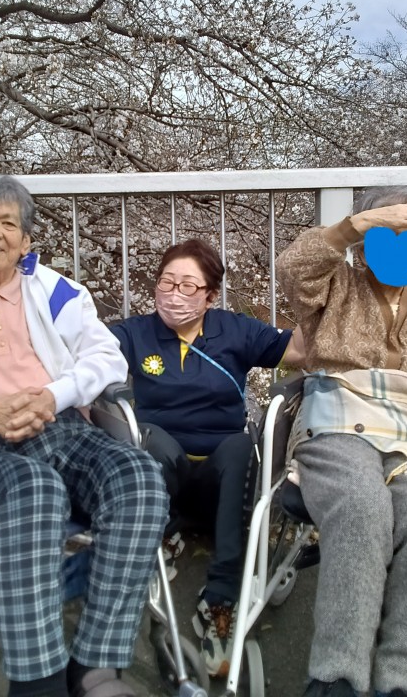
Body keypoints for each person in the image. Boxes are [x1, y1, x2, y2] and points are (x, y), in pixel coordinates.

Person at [0, 174, 168, 697]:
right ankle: (38, 682)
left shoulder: (54, 290)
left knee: (140, 479)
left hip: (55, 423)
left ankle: (96, 666)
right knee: (34, 490)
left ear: (25, 241)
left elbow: (106, 357)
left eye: (7, 222)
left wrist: (54, 396)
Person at [276, 186, 407, 697]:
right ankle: (337, 677)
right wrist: (356, 225)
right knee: (361, 505)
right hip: (339, 422)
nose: (399, 246)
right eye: (386, 235)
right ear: (367, 242)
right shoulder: (335, 285)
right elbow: (293, 269)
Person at [110, 238, 304, 678]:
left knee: (240, 446)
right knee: (150, 439)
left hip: (223, 475)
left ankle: (221, 596)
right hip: (165, 471)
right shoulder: (135, 333)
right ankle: (163, 536)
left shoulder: (235, 330)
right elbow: (87, 350)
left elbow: (299, 350)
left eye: (188, 286)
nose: (173, 295)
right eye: (166, 282)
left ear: (211, 295)